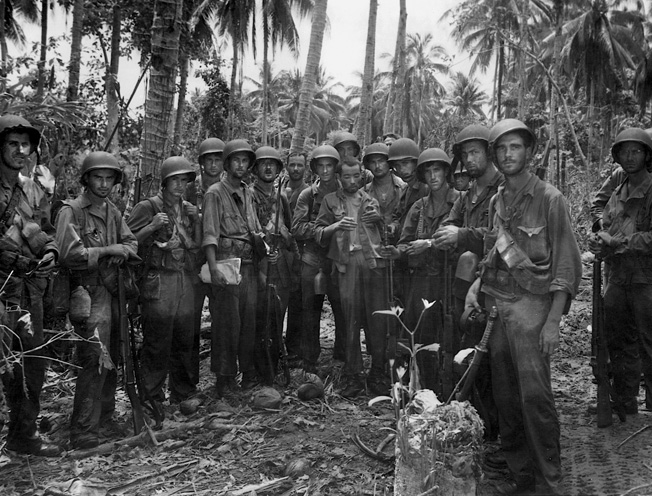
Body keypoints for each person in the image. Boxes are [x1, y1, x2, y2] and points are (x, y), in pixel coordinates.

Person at [465, 119, 582, 495]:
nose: (508, 154)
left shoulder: (550, 199)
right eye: (501, 149)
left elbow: (565, 265)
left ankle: (549, 483)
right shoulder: (499, 200)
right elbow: (493, 253)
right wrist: (476, 286)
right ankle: (521, 476)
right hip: (499, 306)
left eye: (515, 147)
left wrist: (552, 322)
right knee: (506, 397)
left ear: (529, 152)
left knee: (536, 399)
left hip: (533, 308)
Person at [55, 151, 137, 449]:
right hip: (88, 295)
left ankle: (104, 419)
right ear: (86, 179)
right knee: (94, 359)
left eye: (109, 178)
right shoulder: (72, 210)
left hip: (113, 291)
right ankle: (83, 431)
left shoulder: (113, 211)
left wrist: (122, 249)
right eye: (98, 177)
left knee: (113, 355)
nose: (104, 184)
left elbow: (130, 241)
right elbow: (68, 254)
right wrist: (107, 251)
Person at [433, 123, 503, 440]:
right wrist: (455, 233)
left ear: (489, 152)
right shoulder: (467, 195)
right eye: (465, 153)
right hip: (463, 286)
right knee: (465, 352)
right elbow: (447, 226)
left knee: (491, 360)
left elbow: (498, 237)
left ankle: (495, 429)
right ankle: (476, 420)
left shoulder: (502, 189)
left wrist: (461, 235)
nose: (470, 159)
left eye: (475, 151)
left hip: (494, 284)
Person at [0, 115, 60, 456]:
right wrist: (15, 261)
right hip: (2, 287)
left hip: (27, 289)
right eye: (13, 144)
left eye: (26, 144)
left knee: (33, 363)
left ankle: (23, 435)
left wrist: (49, 250)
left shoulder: (29, 188)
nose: (21, 150)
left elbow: (37, 227)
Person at [381, 148, 459, 393]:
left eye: (437, 170)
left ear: (446, 172)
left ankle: (452, 391)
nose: (433, 176)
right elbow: (404, 243)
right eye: (428, 171)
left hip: (451, 280)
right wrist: (398, 252)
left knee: (452, 339)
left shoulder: (460, 201)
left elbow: (465, 238)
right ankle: (427, 391)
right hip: (422, 281)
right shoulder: (419, 206)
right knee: (421, 339)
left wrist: (429, 244)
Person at [127, 157, 202, 407]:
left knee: (186, 338)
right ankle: (151, 398)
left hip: (184, 279)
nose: (180, 186)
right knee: (157, 342)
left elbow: (198, 243)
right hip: (158, 281)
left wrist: (198, 219)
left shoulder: (189, 209)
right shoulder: (147, 207)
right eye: (175, 180)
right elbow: (128, 243)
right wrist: (151, 226)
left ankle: (183, 392)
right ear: (165, 182)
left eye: (184, 181)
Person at [589, 128, 652, 415]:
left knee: (648, 344)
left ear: (647, 155)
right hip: (617, 276)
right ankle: (625, 402)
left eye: (636, 151)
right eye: (624, 152)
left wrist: (618, 242)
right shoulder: (616, 191)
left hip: (645, 278)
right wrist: (600, 239)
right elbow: (605, 222)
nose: (630, 157)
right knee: (617, 342)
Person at [315, 157, 388, 397]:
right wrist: (335, 227)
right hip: (346, 266)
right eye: (346, 176)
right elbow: (318, 232)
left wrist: (379, 219)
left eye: (356, 176)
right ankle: (353, 375)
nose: (352, 180)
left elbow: (385, 233)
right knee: (350, 321)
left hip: (372, 265)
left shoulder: (370, 200)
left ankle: (378, 374)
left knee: (377, 320)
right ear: (338, 177)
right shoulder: (330, 201)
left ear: (362, 175)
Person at [202, 139, 264, 394]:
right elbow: (210, 233)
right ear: (227, 164)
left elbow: (256, 228)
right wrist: (213, 267)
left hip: (248, 265)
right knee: (227, 325)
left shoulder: (249, 192)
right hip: (226, 265)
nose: (241, 165)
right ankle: (224, 378)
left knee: (249, 323)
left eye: (245, 160)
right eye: (236, 160)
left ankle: (247, 374)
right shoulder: (215, 192)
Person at [292, 145, 346, 373]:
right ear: (314, 168)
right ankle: (309, 360)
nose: (325, 171)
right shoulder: (307, 195)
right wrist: (324, 230)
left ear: (336, 168)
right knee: (309, 312)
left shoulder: (346, 192)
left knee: (342, 311)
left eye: (329, 166)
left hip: (338, 260)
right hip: (312, 259)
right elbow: (297, 227)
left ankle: (342, 357)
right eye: (320, 166)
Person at [250, 146, 298, 380]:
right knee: (258, 320)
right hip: (257, 266)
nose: (268, 168)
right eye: (263, 163)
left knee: (278, 317)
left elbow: (289, 234)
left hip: (280, 268)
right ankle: (259, 371)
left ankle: (275, 366)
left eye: (273, 164)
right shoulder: (249, 195)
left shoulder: (282, 197)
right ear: (255, 168)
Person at [187, 138, 224, 393]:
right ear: (201, 163)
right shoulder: (189, 190)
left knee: (223, 318)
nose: (213, 164)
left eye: (218, 159)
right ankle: (188, 382)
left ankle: (222, 376)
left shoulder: (228, 188)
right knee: (190, 320)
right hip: (192, 262)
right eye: (208, 159)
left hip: (220, 259)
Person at [281, 152, 309, 365]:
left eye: (300, 165)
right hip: (280, 251)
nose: (296, 169)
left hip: (301, 250)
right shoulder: (278, 190)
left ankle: (294, 349)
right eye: (293, 165)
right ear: (287, 166)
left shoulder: (309, 192)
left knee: (298, 302)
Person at [363, 142, 406, 245]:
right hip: (373, 247)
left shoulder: (404, 188)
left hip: (400, 245)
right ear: (368, 165)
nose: (377, 166)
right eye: (373, 162)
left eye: (381, 161)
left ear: (389, 163)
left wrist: (394, 226)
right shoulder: (363, 193)